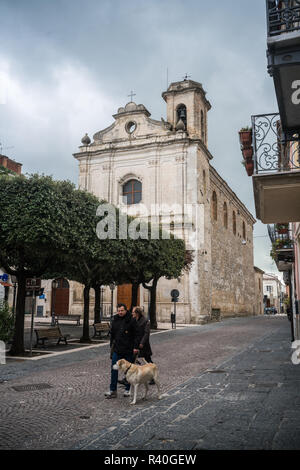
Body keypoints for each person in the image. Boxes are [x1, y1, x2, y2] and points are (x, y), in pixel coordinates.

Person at [105, 303, 139, 399]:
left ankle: (127, 390)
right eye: (118, 310)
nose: (120, 312)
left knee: (128, 371)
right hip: (117, 349)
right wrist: (111, 344)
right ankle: (113, 390)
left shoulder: (131, 320)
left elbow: (137, 335)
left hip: (128, 349)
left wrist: (135, 347)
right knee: (114, 369)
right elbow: (112, 334)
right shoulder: (115, 319)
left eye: (122, 310)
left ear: (126, 310)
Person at [132, 306, 155, 385]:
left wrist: (142, 343)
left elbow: (146, 333)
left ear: (137, 313)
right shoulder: (134, 320)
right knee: (132, 359)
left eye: (133, 312)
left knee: (148, 361)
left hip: (143, 345)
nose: (132, 313)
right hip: (135, 343)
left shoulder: (145, 321)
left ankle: (153, 377)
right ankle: (128, 377)